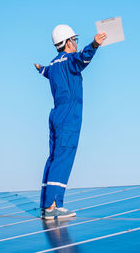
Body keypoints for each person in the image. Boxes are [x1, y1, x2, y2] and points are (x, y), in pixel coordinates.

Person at [34, 24, 106, 219]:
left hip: (56, 114)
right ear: (67, 42)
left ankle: (49, 203)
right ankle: (51, 207)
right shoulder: (70, 60)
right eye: (74, 39)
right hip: (69, 116)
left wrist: (40, 68)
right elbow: (83, 57)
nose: (76, 43)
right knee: (63, 158)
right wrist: (94, 44)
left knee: (54, 158)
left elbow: (46, 71)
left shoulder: (54, 63)